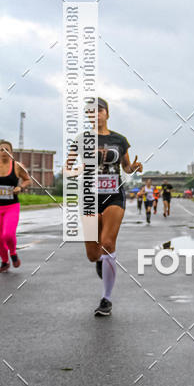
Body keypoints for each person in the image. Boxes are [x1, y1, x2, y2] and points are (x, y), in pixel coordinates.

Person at [65, 98, 142, 317]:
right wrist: (77, 169)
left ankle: (106, 299)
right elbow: (67, 169)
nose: (95, 114)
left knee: (108, 243)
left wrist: (134, 167)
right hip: (90, 197)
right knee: (92, 253)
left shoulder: (120, 139)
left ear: (107, 114)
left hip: (113, 195)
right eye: (90, 112)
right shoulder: (81, 139)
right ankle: (100, 261)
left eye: (99, 111)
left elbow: (126, 167)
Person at [0, 140, 32, 273]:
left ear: (11, 153)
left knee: (8, 235)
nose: (4, 152)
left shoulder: (17, 166)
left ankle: (13, 253)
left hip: (11, 207)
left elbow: (28, 179)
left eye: (7, 150)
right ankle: (5, 261)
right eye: (1, 149)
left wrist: (20, 187)